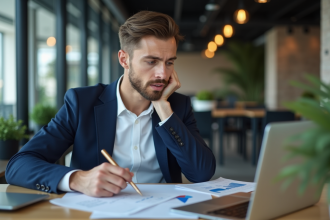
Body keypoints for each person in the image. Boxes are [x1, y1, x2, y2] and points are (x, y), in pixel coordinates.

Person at [5, 11, 216, 197]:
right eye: (151, 61)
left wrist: (162, 108)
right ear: (124, 60)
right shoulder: (82, 103)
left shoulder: (177, 106)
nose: (162, 73)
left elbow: (201, 172)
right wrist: (78, 179)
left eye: (169, 62)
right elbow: (19, 165)